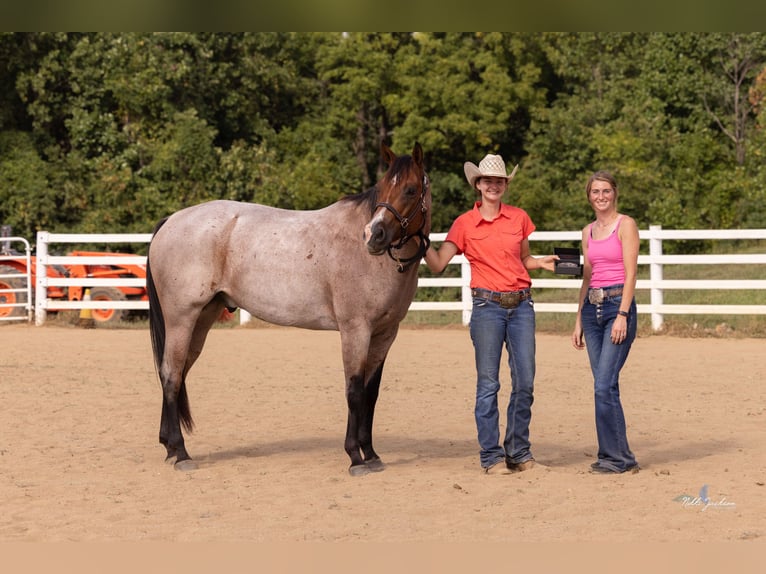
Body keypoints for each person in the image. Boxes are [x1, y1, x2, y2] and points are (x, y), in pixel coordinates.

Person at [424, 153, 557, 475]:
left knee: (525, 382)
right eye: (488, 181)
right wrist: (418, 238)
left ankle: (519, 453)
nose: (493, 186)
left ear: (505, 185)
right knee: (488, 385)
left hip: (522, 306)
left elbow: (522, 258)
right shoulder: (464, 224)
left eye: (499, 181)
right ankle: (491, 457)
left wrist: (540, 263)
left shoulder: (519, 218)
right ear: (478, 185)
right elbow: (439, 263)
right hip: (487, 309)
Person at [571, 170, 640, 474]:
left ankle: (617, 458)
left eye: (606, 191)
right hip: (592, 310)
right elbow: (587, 276)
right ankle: (615, 456)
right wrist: (578, 319)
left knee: (603, 385)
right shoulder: (587, 231)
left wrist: (623, 315)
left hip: (616, 308)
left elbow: (631, 273)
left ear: (615, 193)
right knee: (604, 386)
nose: (601, 196)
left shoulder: (626, 226)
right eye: (595, 192)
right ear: (589, 196)